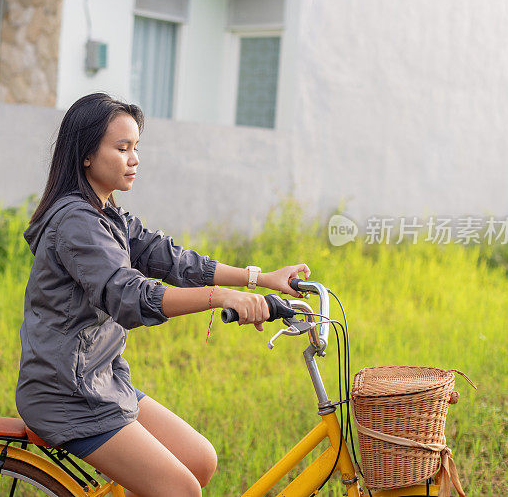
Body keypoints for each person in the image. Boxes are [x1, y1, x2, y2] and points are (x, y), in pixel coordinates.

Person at [16, 93, 310, 497]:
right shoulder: (75, 223)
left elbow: (173, 261)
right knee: (182, 491)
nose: (134, 158)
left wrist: (261, 278)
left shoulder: (107, 214)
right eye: (122, 148)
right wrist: (219, 297)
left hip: (99, 379)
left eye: (136, 147)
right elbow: (131, 296)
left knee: (200, 461)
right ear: (86, 154)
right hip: (67, 394)